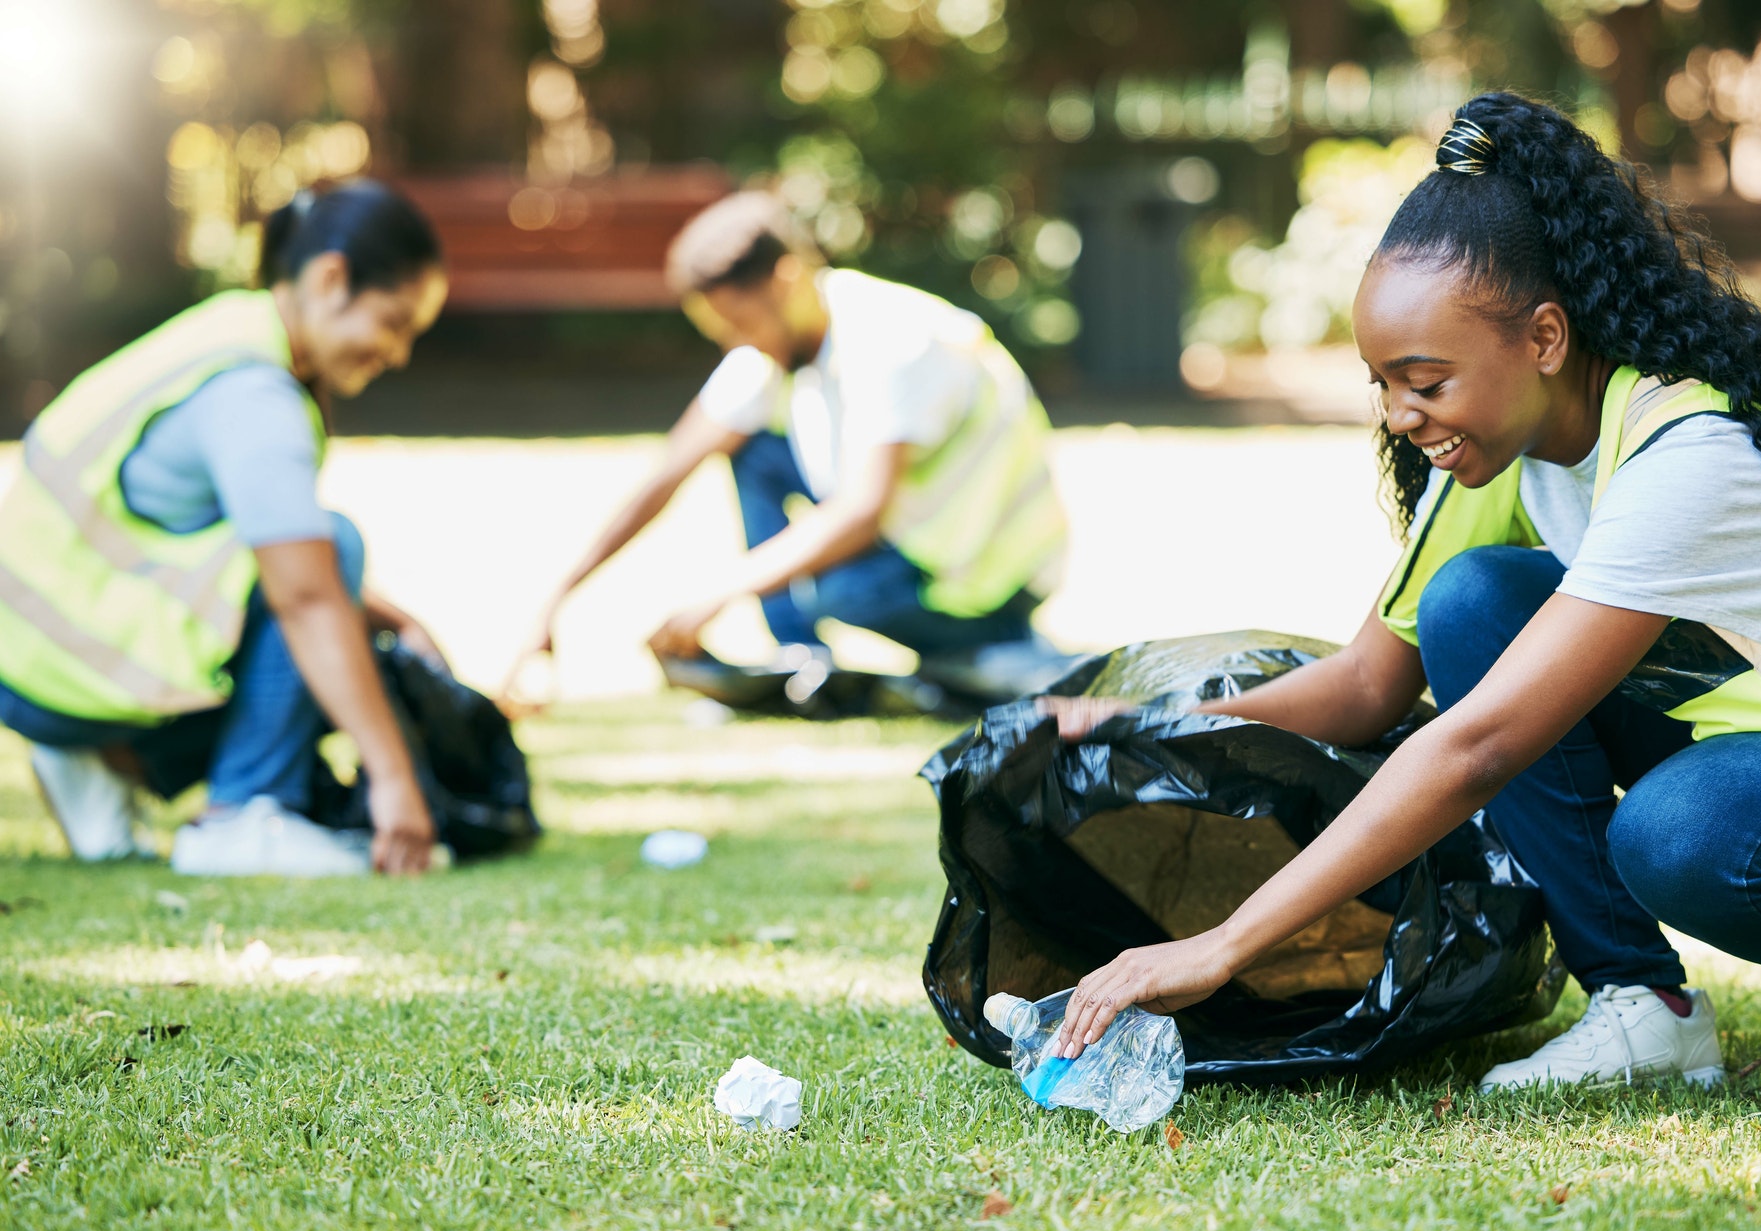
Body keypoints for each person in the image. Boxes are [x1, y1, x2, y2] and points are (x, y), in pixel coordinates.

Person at [1042, 93, 1761, 1098]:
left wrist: (1222, 944)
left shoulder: (1693, 450)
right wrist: (1151, 722)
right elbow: (1368, 684)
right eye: (1381, 383)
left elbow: (1477, 744)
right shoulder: (1504, 450)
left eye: (1424, 380)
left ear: (1543, 336)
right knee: (1473, 603)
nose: (1399, 414)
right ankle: (1642, 1005)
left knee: (1679, 830)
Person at [0, 181, 450, 877]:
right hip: (77, 670)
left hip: (33, 664)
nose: (397, 354)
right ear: (332, 278)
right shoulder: (255, 392)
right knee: (336, 552)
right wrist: (395, 778)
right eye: (394, 323)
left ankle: (94, 762)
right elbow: (304, 596)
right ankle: (245, 815)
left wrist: (395, 616)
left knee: (338, 593)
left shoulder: (227, 331)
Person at [514, 191, 1070, 705]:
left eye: (739, 322)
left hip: (988, 580)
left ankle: (993, 656)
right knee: (750, 447)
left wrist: (723, 590)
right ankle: (802, 655)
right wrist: (556, 601)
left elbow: (861, 513)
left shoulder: (892, 337)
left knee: (839, 591)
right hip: (919, 548)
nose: (736, 342)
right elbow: (670, 472)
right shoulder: (778, 348)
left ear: (787, 279)